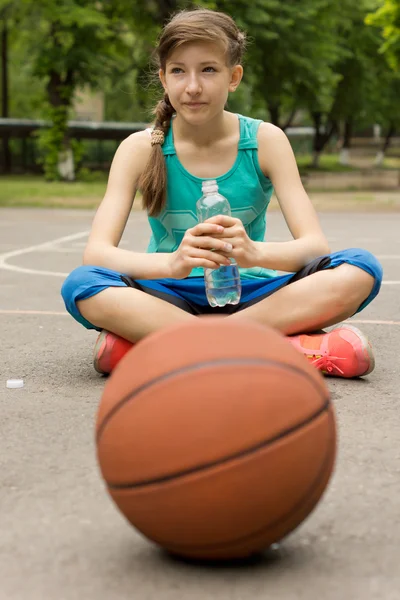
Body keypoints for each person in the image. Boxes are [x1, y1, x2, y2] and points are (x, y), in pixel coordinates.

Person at [61, 8, 383, 378]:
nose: (192, 86)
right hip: (169, 296)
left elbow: (314, 247)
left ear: (234, 77)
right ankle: (281, 347)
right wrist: (172, 264)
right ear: (163, 78)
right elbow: (96, 254)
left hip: (253, 295)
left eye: (208, 70)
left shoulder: (265, 141)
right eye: (179, 70)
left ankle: (161, 346)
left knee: (361, 268)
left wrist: (253, 252)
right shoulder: (140, 148)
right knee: (82, 285)